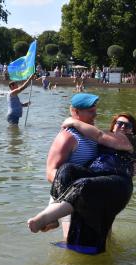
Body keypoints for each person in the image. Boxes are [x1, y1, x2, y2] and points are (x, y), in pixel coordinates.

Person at [28, 112, 136, 254]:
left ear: (132, 130)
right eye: (119, 123)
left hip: (116, 180)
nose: (123, 126)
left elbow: (99, 135)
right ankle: (53, 216)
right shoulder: (104, 141)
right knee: (66, 169)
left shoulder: (131, 140)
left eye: (127, 125)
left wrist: (73, 121)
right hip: (96, 176)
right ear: (113, 126)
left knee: (85, 185)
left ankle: (46, 217)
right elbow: (96, 136)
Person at [43, 92, 100, 239]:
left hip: (92, 195)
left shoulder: (91, 132)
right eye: (90, 111)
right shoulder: (67, 137)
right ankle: (52, 217)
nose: (95, 115)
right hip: (69, 198)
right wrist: (77, 186)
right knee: (71, 243)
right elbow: (50, 172)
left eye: (95, 110)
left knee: (102, 241)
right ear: (75, 112)